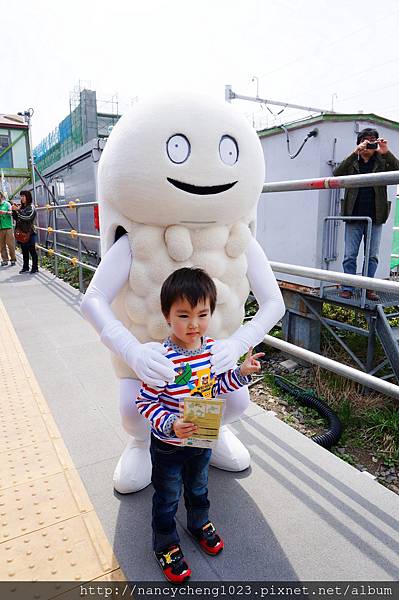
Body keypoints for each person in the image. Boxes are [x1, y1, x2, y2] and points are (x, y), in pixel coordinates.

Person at [136, 268, 263, 583]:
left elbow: (216, 386)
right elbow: (144, 402)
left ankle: (198, 522)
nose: (193, 324)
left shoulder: (209, 351)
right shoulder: (161, 359)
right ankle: (165, 543)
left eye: (202, 314)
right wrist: (169, 424)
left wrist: (242, 372)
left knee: (198, 486)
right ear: (167, 315)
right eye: (183, 315)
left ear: (211, 313)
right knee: (166, 496)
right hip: (168, 445)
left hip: (202, 440)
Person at [333, 128, 399, 301]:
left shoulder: (382, 162)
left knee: (372, 256)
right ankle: (348, 286)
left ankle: (368, 288)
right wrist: (355, 152)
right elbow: (336, 173)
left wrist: (386, 152)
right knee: (350, 255)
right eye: (366, 139)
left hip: (376, 216)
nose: (369, 143)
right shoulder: (353, 162)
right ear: (360, 142)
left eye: (373, 140)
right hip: (353, 215)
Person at [12, 190, 39, 274]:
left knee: (32, 250)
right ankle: (25, 267)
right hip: (22, 232)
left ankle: (35, 268)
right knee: (24, 251)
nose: (22, 198)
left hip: (29, 232)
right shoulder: (22, 207)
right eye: (21, 196)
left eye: (23, 196)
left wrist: (18, 210)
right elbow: (17, 219)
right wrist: (14, 211)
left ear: (28, 197)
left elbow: (28, 217)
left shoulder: (31, 207)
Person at [0, 190, 16, 267]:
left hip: (8, 227)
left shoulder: (7, 204)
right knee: (1, 245)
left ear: (1, 196)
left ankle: (13, 259)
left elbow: (11, 213)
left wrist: (4, 212)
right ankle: (4, 260)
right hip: (0, 228)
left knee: (10, 244)